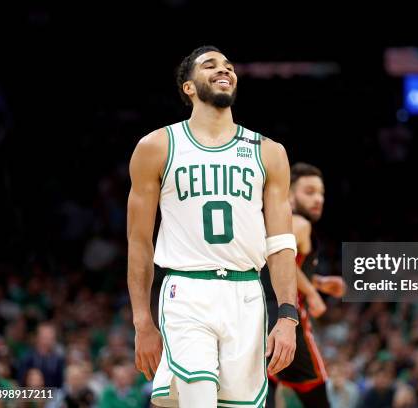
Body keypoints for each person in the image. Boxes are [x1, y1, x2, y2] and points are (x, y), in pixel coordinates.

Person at [127, 45, 298, 407]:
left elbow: (282, 243)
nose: (225, 71)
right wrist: (143, 322)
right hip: (186, 290)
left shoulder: (268, 151)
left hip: (247, 293)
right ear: (188, 87)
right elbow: (139, 241)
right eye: (210, 65)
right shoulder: (157, 146)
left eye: (229, 66)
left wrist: (287, 316)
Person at [262, 162, 345, 407]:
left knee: (266, 387)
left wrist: (318, 282)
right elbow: (279, 259)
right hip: (286, 317)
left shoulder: (276, 223)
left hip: (263, 313)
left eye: (321, 193)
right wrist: (312, 293)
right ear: (288, 194)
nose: (318, 199)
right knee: (317, 392)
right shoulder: (299, 223)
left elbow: (278, 268)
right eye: (309, 192)